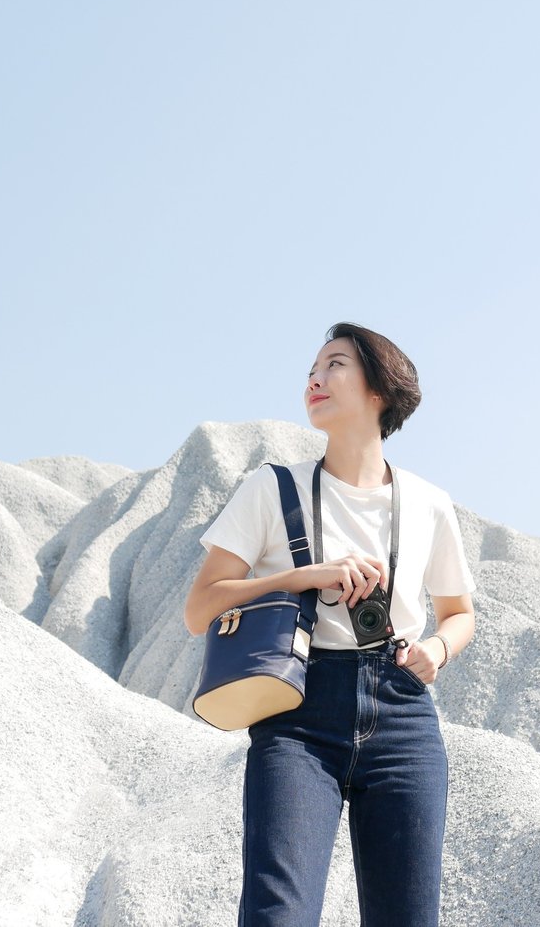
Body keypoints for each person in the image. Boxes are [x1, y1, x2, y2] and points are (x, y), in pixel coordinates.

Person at [184, 322, 476, 927]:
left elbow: (459, 613)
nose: (315, 379)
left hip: (403, 715)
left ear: (380, 388)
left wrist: (438, 651)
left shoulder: (428, 502)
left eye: (334, 364)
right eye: (311, 371)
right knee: (277, 914)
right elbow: (200, 608)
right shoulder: (272, 488)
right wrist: (302, 577)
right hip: (297, 714)